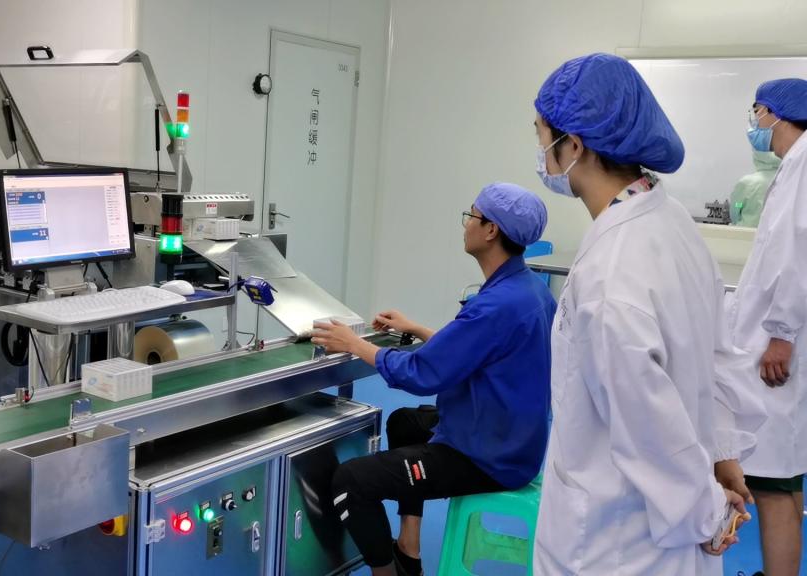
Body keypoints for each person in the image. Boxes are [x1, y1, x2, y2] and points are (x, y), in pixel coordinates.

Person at [531, 53, 764, 575]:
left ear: (574, 145)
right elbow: (717, 356)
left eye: (542, 135)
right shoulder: (669, 218)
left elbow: (647, 426)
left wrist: (709, 515)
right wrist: (722, 454)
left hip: (619, 540)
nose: (540, 151)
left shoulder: (610, 277)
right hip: (673, 508)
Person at [312, 182, 556, 576]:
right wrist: (417, 329)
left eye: (471, 216)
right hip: (512, 439)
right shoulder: (528, 290)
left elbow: (421, 373)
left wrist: (354, 344)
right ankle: (408, 549)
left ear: (491, 230)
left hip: (486, 457)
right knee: (405, 423)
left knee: (351, 481)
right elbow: (476, 348)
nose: (466, 224)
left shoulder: (495, 306)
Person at [728, 78, 807, 576]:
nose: (754, 120)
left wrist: (781, 334)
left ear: (778, 113)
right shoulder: (794, 164)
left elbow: (797, 254)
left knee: (775, 479)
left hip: (780, 344)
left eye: (757, 109)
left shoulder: (803, 164)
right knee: (782, 474)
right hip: (779, 336)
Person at [730, 149, 780, 228]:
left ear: (757, 156)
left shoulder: (746, 183)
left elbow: (736, 207)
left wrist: (739, 211)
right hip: (774, 232)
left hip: (746, 232)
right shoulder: (786, 181)